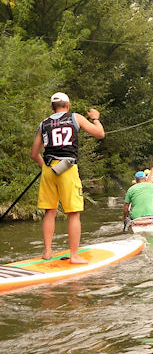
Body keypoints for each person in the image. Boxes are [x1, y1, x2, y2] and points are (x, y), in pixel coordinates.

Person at [30, 92, 105, 264]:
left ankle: (47, 252)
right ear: (68, 105)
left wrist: (47, 167)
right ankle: (74, 255)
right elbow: (100, 134)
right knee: (73, 213)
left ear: (51, 107)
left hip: (49, 169)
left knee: (49, 211)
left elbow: (34, 154)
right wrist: (95, 118)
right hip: (68, 169)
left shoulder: (44, 124)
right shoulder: (75, 118)